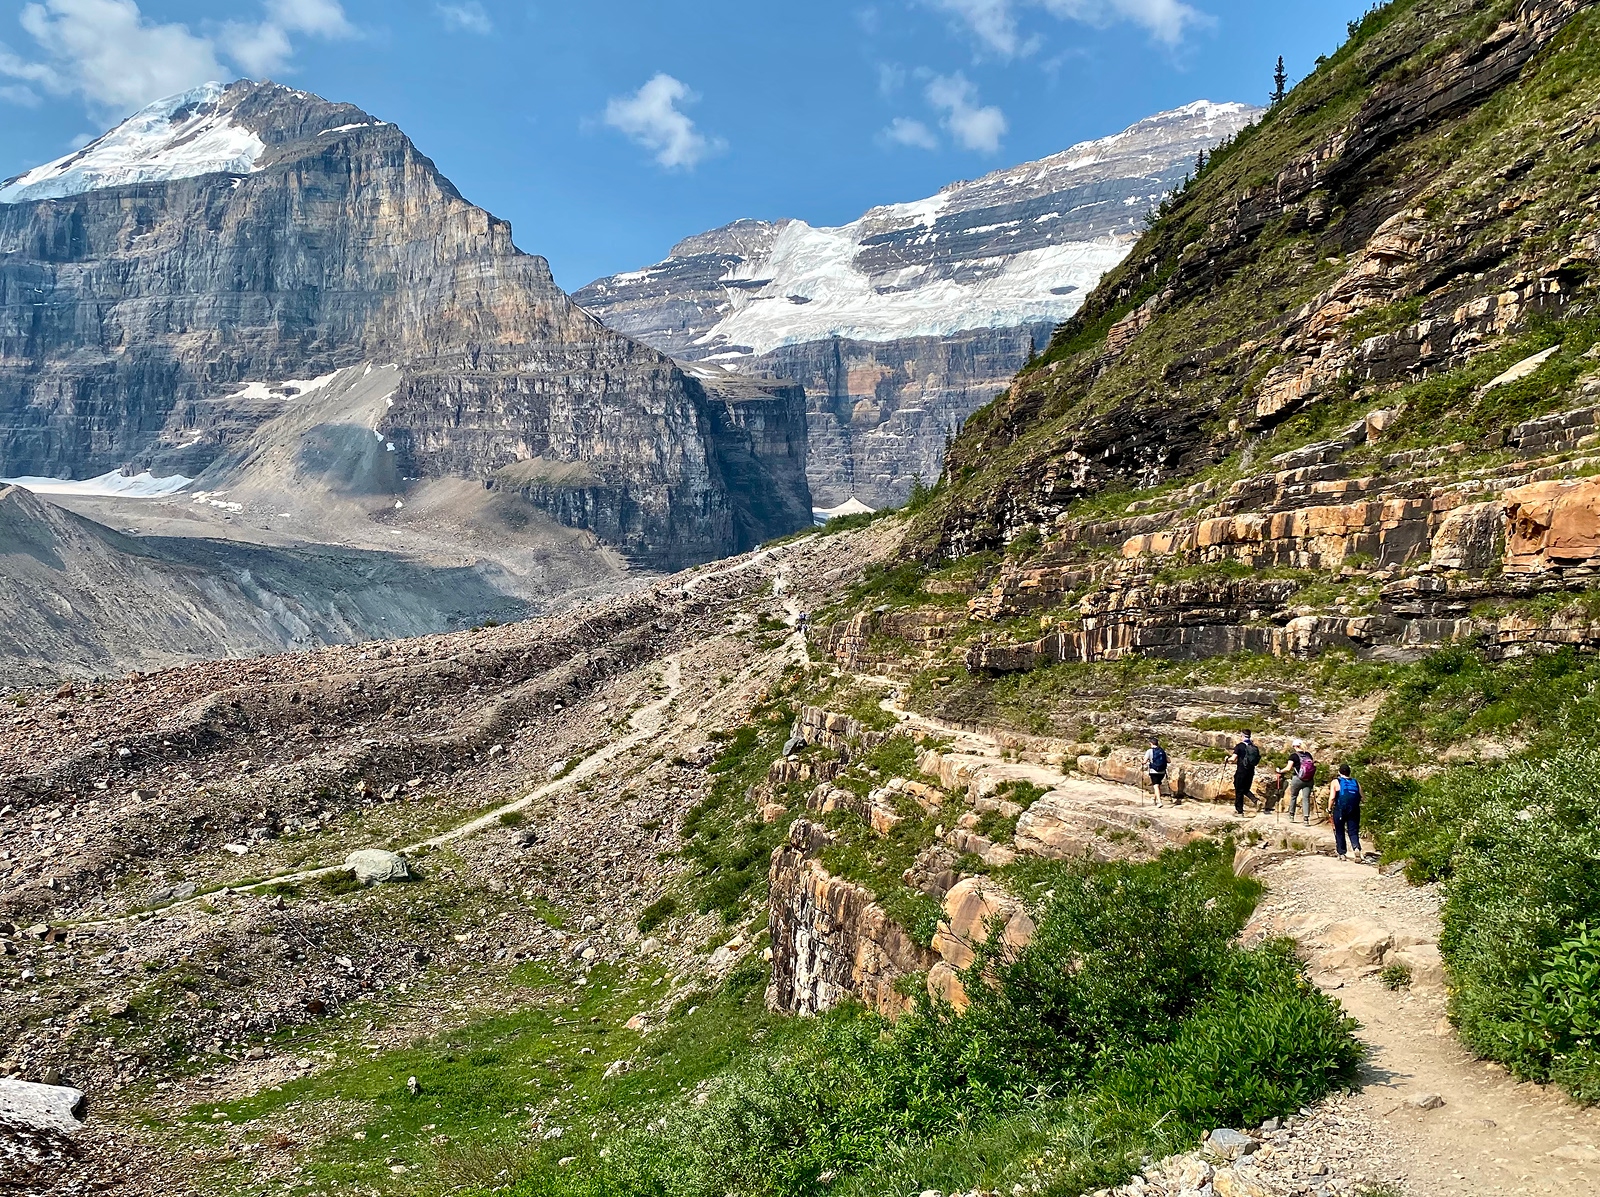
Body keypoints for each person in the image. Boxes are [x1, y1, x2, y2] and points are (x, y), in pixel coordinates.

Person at [1280, 740, 1316, 825]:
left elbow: (1288, 768)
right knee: (1306, 798)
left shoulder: (1293, 756)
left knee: (1293, 796)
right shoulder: (1308, 755)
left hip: (1297, 779)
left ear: (1295, 746)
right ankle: (1306, 819)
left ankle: (1292, 816)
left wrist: (1280, 771)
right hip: (1309, 779)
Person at [1331, 764, 1363, 861]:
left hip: (1340, 809)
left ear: (1339, 772)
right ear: (1349, 772)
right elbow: (1362, 797)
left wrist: (1329, 808)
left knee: (1339, 831)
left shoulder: (1336, 782)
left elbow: (1332, 797)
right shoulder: (1355, 782)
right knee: (1353, 831)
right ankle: (1356, 848)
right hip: (1354, 809)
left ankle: (1342, 854)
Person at [1230, 730, 1260, 816]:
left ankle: (1239, 811)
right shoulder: (1254, 747)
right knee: (1245, 789)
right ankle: (1255, 800)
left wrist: (1227, 759)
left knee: (1239, 790)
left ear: (1242, 736)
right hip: (1250, 771)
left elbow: (1233, 758)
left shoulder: (1239, 746)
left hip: (1241, 771)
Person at [1144, 737, 1169, 807]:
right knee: (1158, 785)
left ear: (1151, 744)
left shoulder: (1149, 751)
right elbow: (1169, 760)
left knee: (1156, 786)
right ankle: (1154, 799)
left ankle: (1159, 802)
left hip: (1154, 771)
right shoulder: (1162, 751)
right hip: (1162, 771)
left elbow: (1145, 761)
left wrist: (1143, 762)